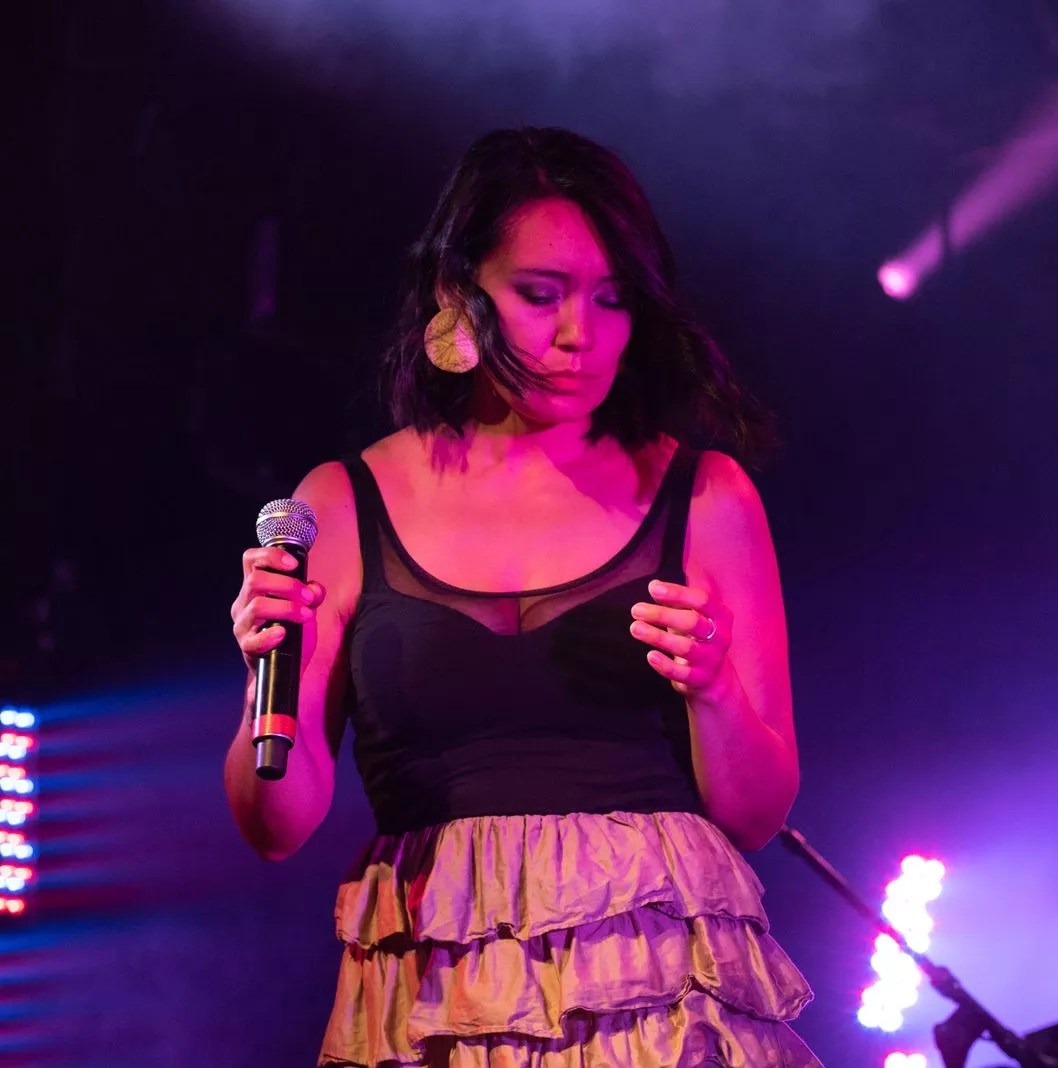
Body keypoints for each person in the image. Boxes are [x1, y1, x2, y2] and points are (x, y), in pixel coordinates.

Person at [223, 127, 819, 1067]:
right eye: (541, 295)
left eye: (613, 299)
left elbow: (756, 814)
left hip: (657, 998)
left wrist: (712, 689)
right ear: (456, 293)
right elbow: (276, 827)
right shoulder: (341, 502)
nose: (581, 334)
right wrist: (268, 670)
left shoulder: (704, 495)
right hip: (439, 996)